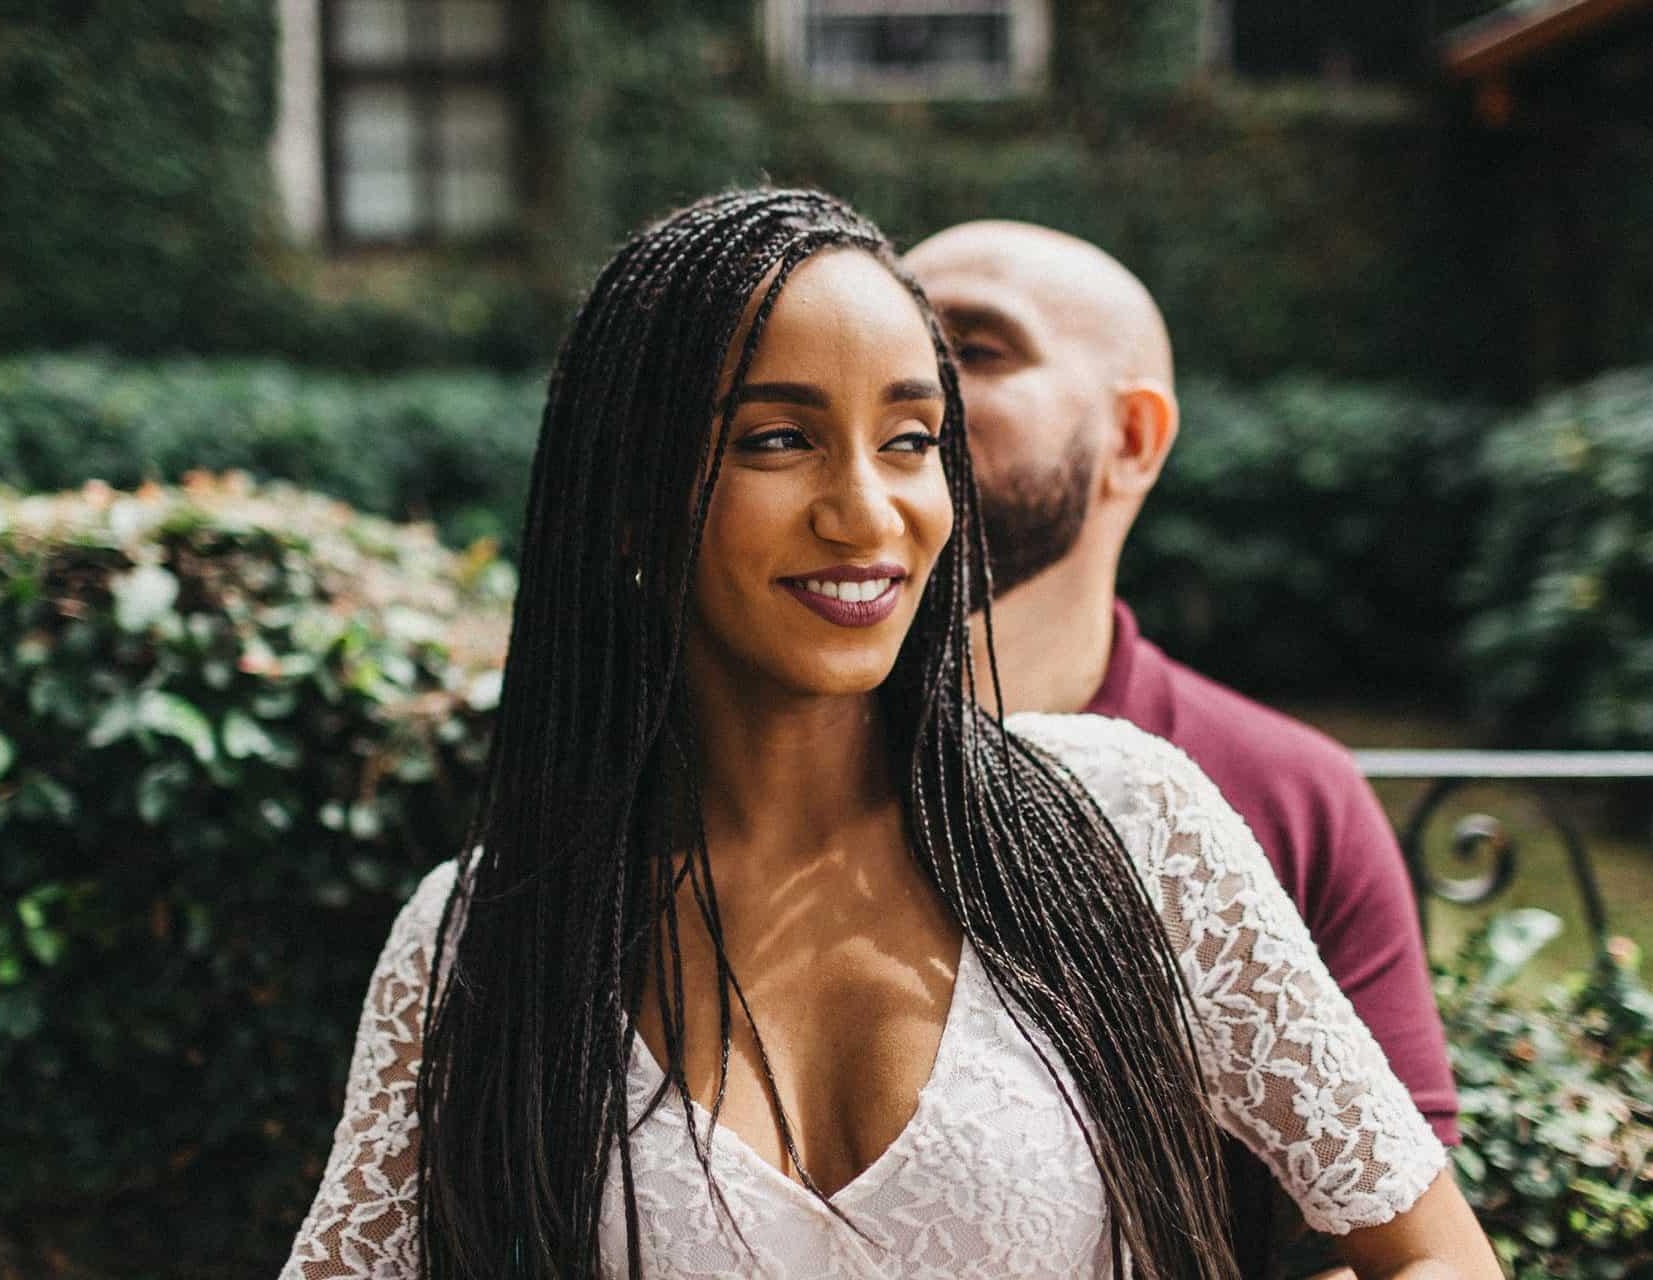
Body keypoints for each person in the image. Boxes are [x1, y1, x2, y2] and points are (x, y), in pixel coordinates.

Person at [282, 189, 1495, 1278]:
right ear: (630, 500)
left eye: (911, 439)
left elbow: (1432, 1257)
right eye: (778, 437)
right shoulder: (485, 935)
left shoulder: (1129, 818)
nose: (868, 510)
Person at [902, 220, 1463, 1278]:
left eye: (972, 352)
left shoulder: (1289, 794)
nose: (910, 399)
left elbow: (1407, 1243)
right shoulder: (748, 768)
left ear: (1134, 438)